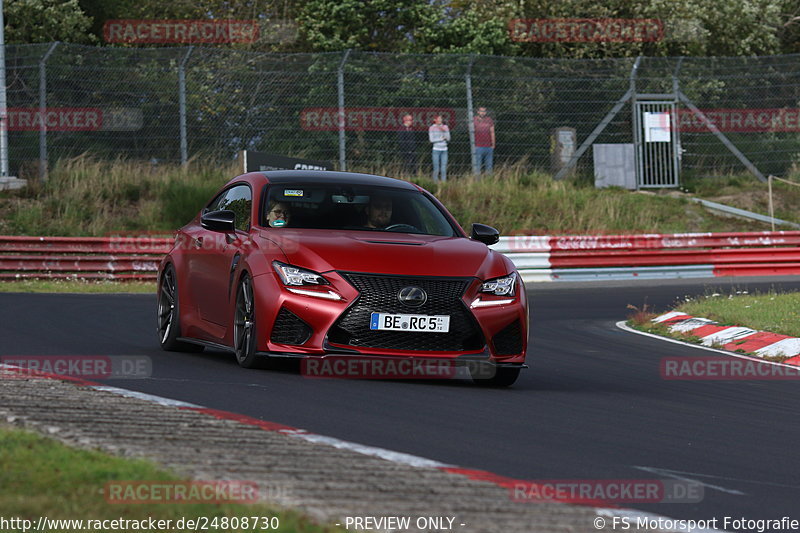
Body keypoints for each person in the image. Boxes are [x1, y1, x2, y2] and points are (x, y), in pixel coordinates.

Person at [428, 114, 450, 182]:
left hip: (444, 149)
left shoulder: (445, 127)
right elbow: (431, 140)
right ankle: (435, 182)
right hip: (436, 149)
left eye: (441, 119)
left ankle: (444, 182)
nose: (440, 120)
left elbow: (448, 138)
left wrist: (444, 131)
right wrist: (441, 139)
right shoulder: (432, 128)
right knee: (436, 167)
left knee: (443, 168)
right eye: (438, 119)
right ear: (435, 120)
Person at [473, 106, 495, 175]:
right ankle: (477, 182)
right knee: (478, 166)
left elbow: (492, 132)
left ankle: (488, 181)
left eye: (484, 111)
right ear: (478, 112)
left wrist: (493, 144)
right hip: (478, 146)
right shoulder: (474, 120)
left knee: (489, 166)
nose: (483, 113)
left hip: (488, 146)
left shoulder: (489, 120)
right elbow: (470, 131)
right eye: (481, 111)